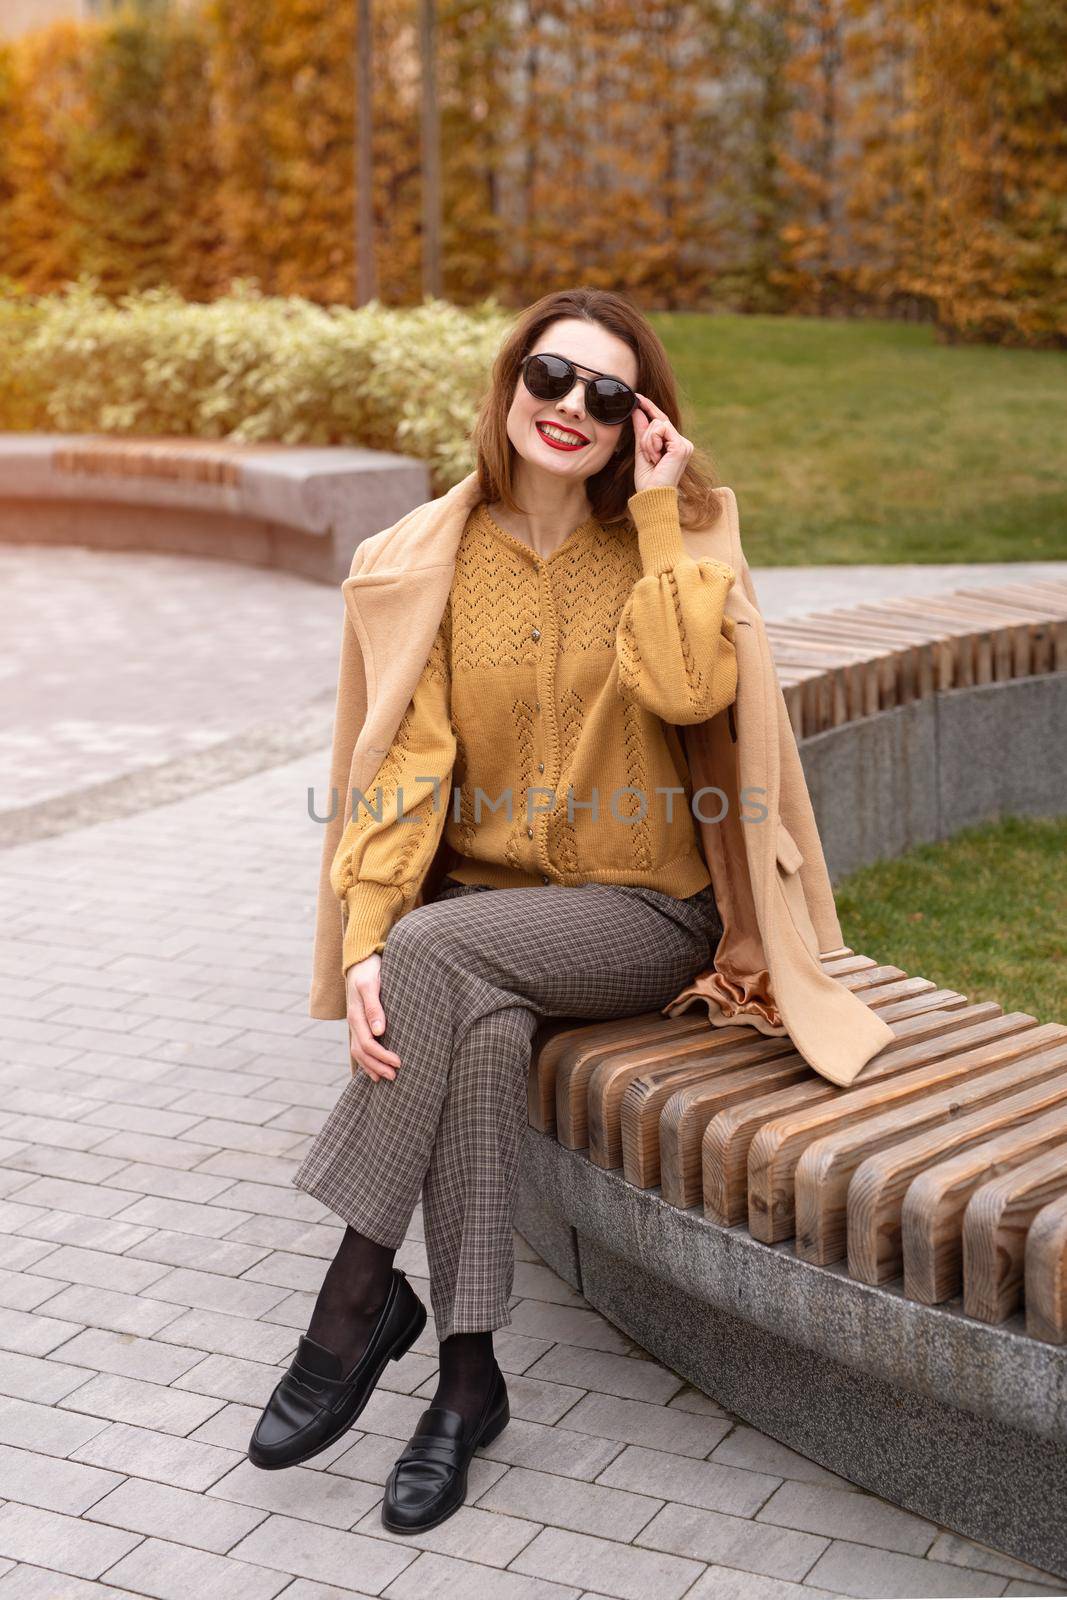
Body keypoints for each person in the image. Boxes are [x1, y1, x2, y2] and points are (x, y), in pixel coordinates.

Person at [247, 286, 739, 1533]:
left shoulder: (666, 543)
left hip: (640, 910)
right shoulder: (429, 557)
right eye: (550, 377)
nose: (571, 407)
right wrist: (368, 942)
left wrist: (669, 519)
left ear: (642, 419)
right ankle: (465, 1382)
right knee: (470, 1023)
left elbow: (691, 692)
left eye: (609, 394)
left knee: (441, 954)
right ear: (510, 381)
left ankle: (356, 1295)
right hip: (480, 925)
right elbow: (402, 771)